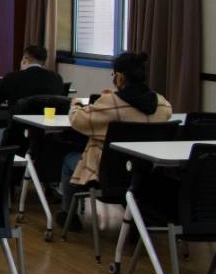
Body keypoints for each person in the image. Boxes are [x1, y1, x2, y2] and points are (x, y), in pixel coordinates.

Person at [56, 52, 172, 231]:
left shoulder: (111, 102)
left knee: (68, 160)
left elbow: (79, 121)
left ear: (120, 77)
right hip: (145, 172)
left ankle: (68, 216)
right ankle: (135, 218)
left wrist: (75, 106)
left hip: (106, 172)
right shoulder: (162, 104)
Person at [0, 46, 66, 145]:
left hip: (15, 137)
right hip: (46, 139)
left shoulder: (12, 77)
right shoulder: (57, 78)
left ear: (24, 59)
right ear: (44, 62)